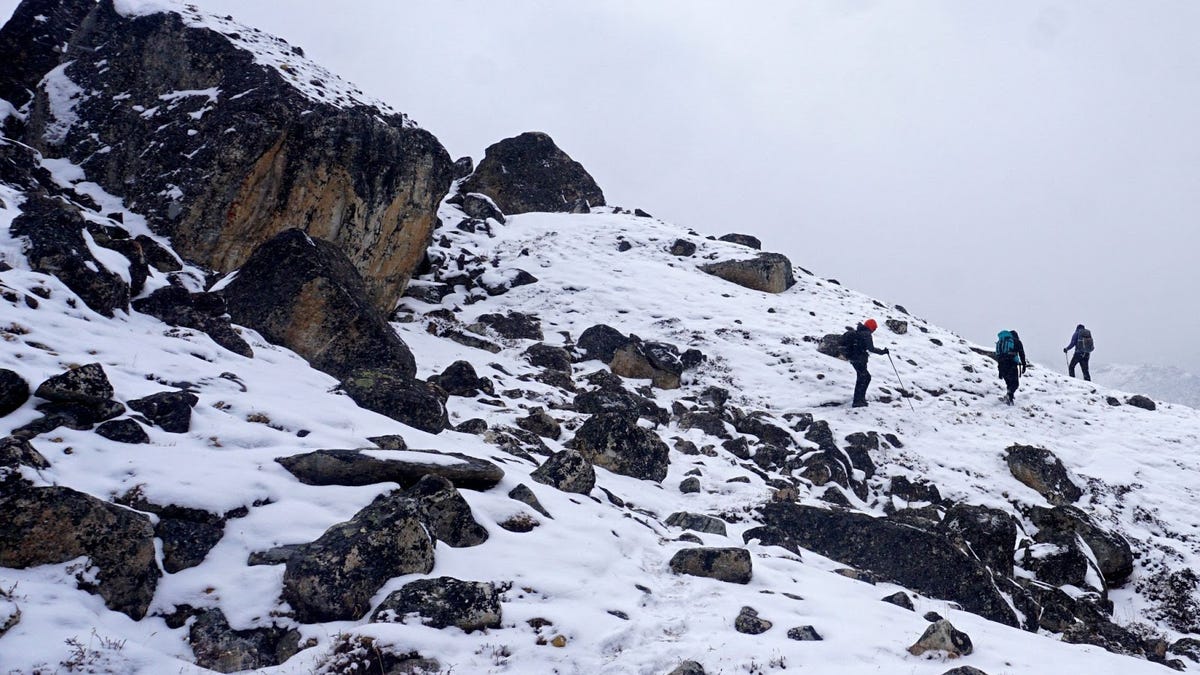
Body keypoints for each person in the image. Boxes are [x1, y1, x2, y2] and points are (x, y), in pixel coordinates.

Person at [843, 318, 889, 407]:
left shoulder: (858, 331)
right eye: (874, 329)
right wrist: (883, 352)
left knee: (863, 377)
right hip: (860, 359)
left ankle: (860, 399)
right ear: (871, 327)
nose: (874, 331)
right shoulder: (866, 334)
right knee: (864, 378)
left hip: (853, 358)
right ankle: (858, 401)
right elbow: (871, 348)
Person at [995, 329, 1028, 405]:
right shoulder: (1017, 342)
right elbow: (1022, 354)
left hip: (1002, 365)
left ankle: (1010, 397)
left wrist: (1000, 371)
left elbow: (999, 356)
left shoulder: (1001, 343)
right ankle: (1009, 396)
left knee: (1009, 383)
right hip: (1011, 364)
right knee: (1015, 384)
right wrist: (1024, 365)